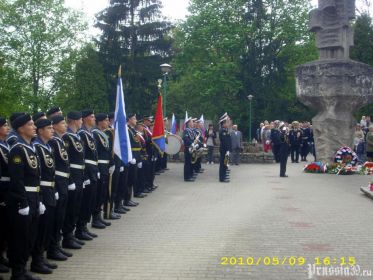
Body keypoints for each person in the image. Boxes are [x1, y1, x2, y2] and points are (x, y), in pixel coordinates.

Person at [7, 113, 41, 280]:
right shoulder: (18, 150)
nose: (34, 127)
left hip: (34, 196)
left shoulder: (31, 147)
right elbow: (17, 179)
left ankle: (23, 269)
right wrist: (22, 202)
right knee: (20, 238)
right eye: (30, 125)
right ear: (21, 128)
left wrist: (38, 199)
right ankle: (17, 272)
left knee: (30, 236)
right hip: (24, 199)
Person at [31, 119, 57, 274]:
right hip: (42, 191)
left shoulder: (47, 146)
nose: (52, 130)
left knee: (48, 226)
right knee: (41, 228)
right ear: (40, 131)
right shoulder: (37, 147)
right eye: (49, 128)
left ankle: (41, 257)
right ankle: (36, 260)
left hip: (50, 189)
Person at [47, 115, 72, 261]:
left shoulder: (59, 140)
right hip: (58, 181)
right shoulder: (54, 141)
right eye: (62, 123)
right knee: (56, 217)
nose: (65, 125)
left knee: (61, 216)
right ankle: (52, 248)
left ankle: (56, 246)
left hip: (63, 180)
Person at [62, 111, 85, 250]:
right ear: (75, 121)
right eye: (80, 119)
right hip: (73, 174)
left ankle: (72, 235)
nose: (81, 121)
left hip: (80, 173)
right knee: (71, 207)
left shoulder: (76, 136)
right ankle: (67, 237)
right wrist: (70, 178)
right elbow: (66, 160)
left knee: (76, 206)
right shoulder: (67, 137)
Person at [92, 113, 119, 221]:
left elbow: (108, 151)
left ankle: (100, 215)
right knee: (99, 193)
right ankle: (96, 217)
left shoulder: (103, 134)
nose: (108, 122)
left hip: (105, 166)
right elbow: (96, 153)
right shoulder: (95, 134)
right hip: (100, 166)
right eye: (106, 120)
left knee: (104, 192)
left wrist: (111, 162)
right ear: (100, 122)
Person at [0, 117, 10, 274]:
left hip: (8, 189)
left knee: (4, 228)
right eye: (4, 125)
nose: (7, 127)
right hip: (1, 190)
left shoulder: (6, 144)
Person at [219, 113, 231, 183]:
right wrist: (227, 149)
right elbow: (225, 142)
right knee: (223, 164)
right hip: (224, 149)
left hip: (226, 149)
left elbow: (228, 141)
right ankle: (222, 178)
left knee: (225, 163)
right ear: (223, 123)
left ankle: (224, 176)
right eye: (226, 122)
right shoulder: (223, 131)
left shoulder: (225, 130)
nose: (227, 123)